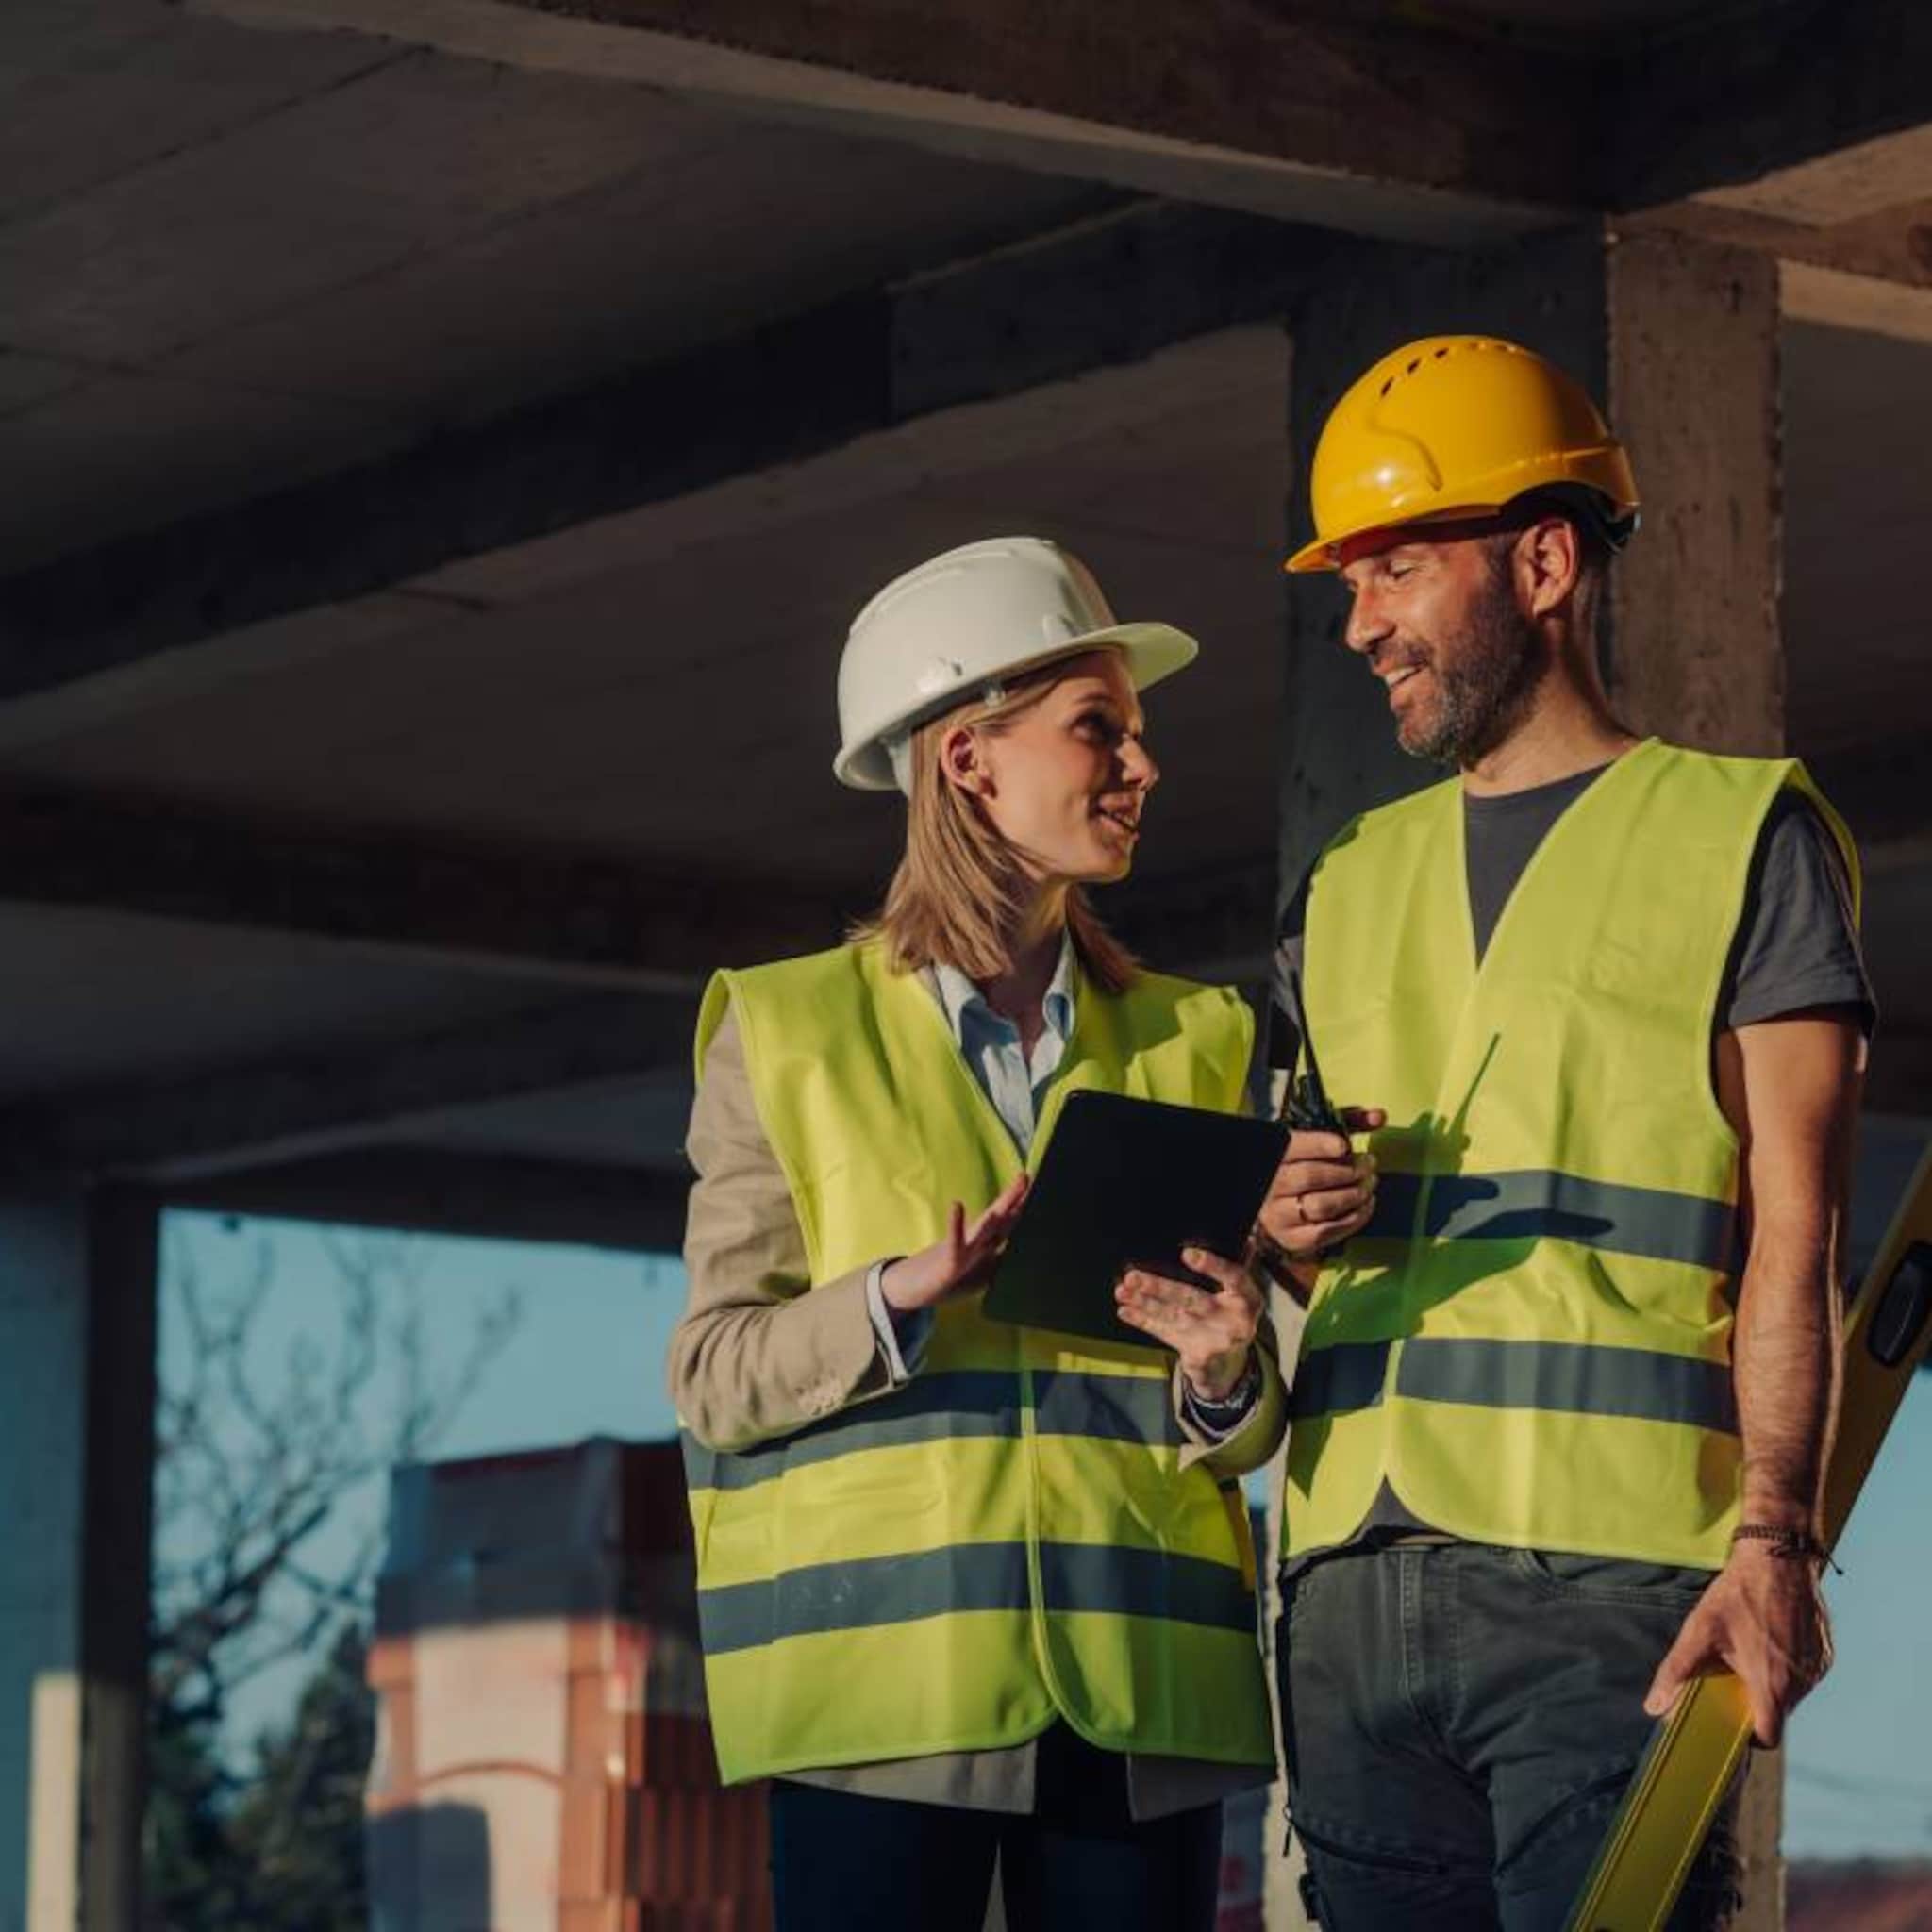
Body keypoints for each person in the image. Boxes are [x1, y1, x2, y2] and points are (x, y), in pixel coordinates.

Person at [1257, 337, 1874, 1930]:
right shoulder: (1344, 882)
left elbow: (1797, 1234)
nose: (1359, 624)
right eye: (1347, 586)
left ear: (1541, 562)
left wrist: (1776, 1545)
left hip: (1612, 1599)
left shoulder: (1742, 837)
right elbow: (1290, 1248)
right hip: (1344, 1589)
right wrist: (1280, 1227)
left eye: (1393, 570)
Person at [669, 536, 1289, 1932]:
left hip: (1142, 1708)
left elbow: (1246, 1433)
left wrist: (1225, 1371)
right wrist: (900, 1294)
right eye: (1099, 732)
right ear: (968, 759)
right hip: (880, 1716)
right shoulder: (785, 1032)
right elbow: (712, 1373)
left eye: (1134, 734)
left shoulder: (1204, 1041)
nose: (1143, 767)